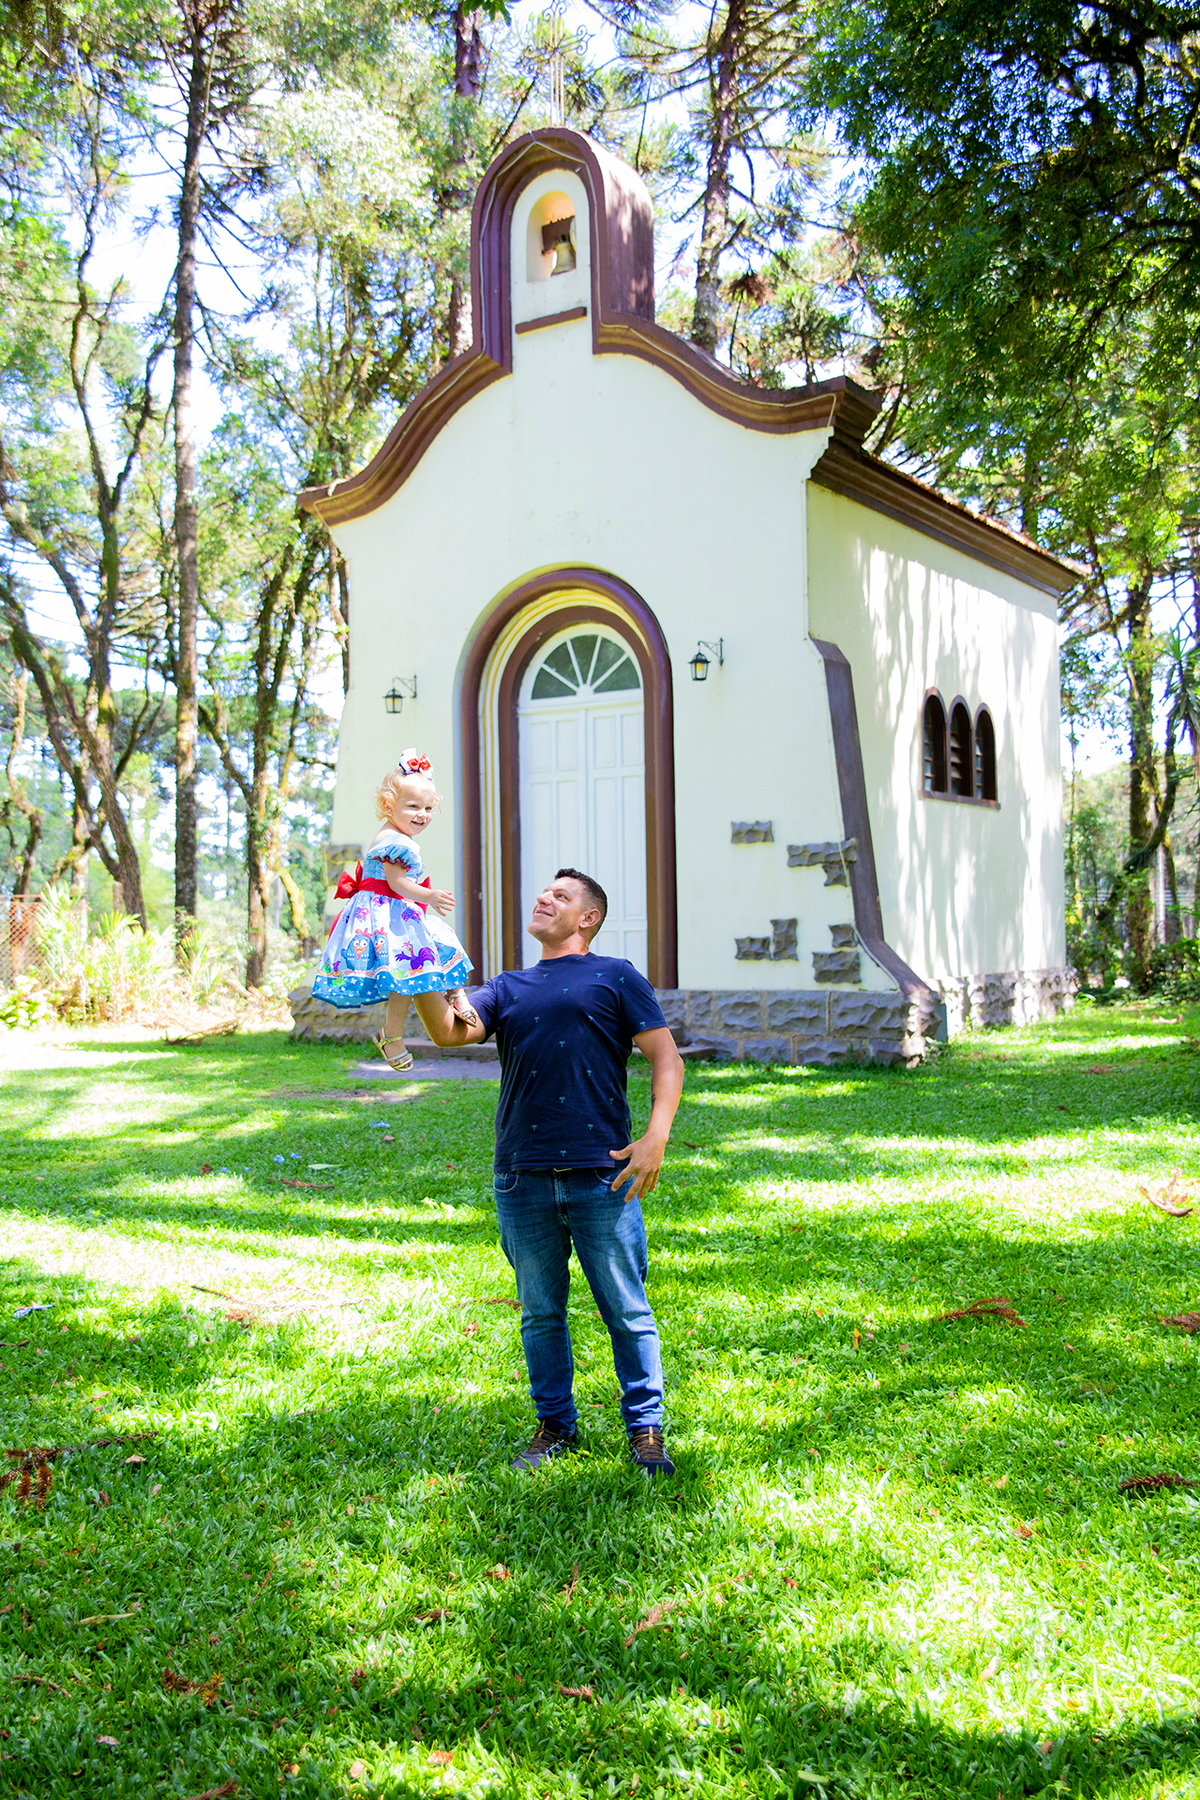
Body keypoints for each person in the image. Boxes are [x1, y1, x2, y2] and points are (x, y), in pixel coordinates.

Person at [414, 868, 685, 1477]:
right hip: (522, 1175)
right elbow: (449, 1033)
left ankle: (646, 1430)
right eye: (543, 891)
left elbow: (666, 1058)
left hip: (603, 1175)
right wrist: (418, 969)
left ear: (588, 917)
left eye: (561, 896)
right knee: (540, 1310)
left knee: (626, 1308)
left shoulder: (614, 976)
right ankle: (555, 1425)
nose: (543, 897)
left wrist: (655, 1139)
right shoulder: (507, 986)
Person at [312, 751, 477, 1071]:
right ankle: (393, 1033)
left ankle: (455, 995)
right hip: (384, 910)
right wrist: (429, 895)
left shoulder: (399, 836)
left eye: (428, 808)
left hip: (394, 908)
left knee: (435, 942)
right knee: (406, 968)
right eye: (413, 807)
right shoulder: (394, 841)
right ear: (389, 806)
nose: (422, 815)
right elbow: (398, 882)